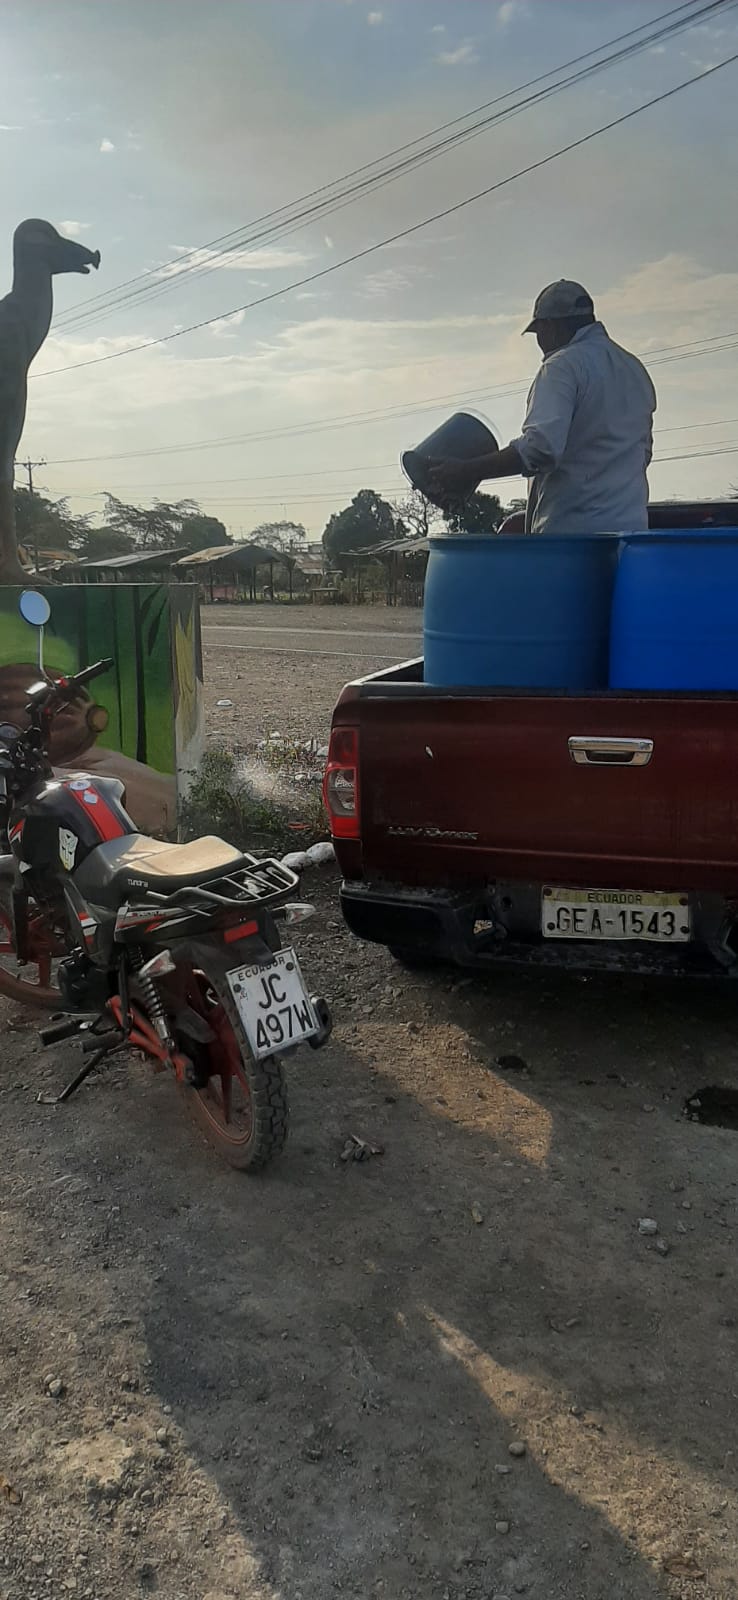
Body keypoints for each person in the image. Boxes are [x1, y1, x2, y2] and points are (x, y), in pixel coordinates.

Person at [430, 280, 657, 535]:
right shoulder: (634, 369)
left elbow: (540, 448)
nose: (540, 343)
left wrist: (466, 471)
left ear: (550, 326)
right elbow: (643, 453)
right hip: (631, 536)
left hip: (573, 537)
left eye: (538, 332)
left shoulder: (562, 365)